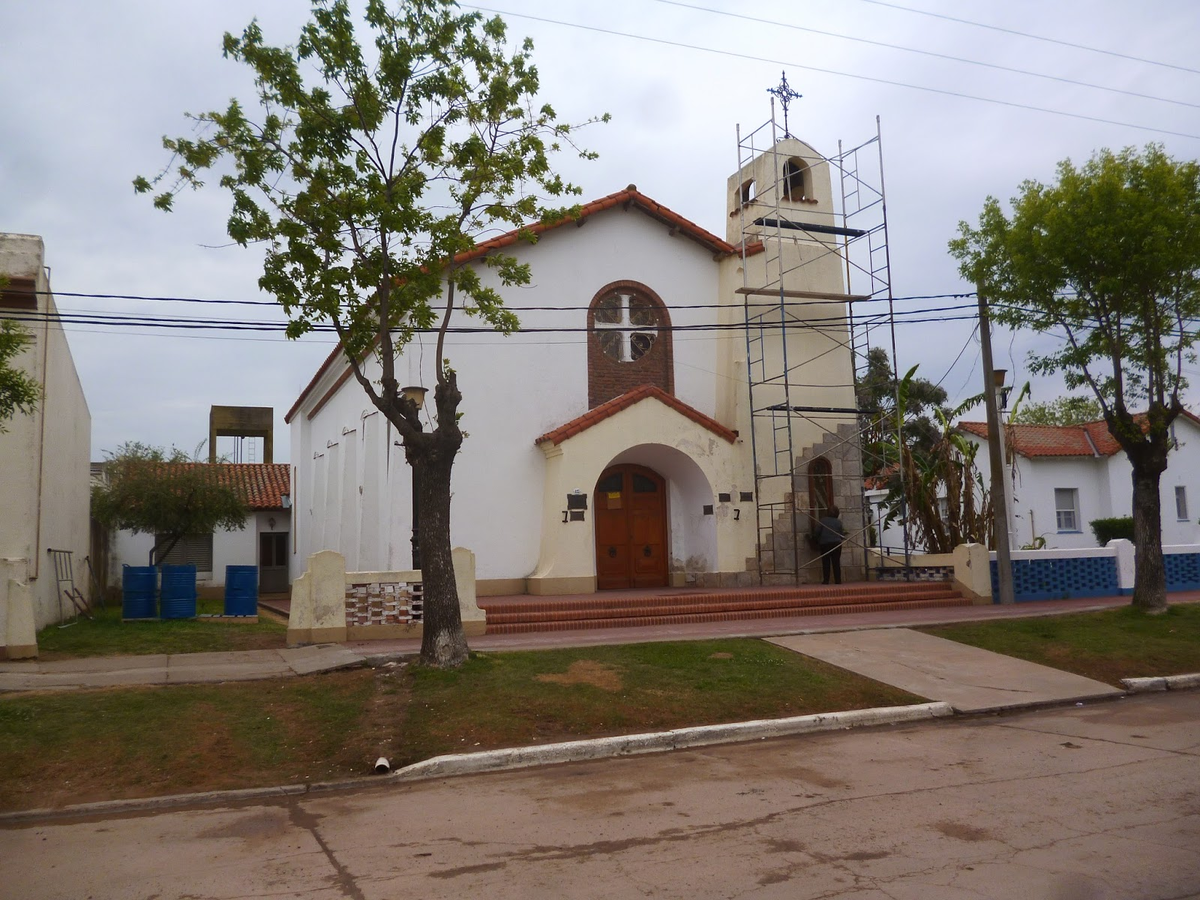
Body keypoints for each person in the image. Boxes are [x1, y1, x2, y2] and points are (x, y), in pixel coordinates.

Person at [816, 505, 845, 585]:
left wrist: (817, 540)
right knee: (836, 562)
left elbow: (817, 532)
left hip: (825, 543)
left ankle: (826, 580)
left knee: (826, 562)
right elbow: (841, 534)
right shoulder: (838, 522)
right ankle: (838, 580)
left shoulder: (822, 521)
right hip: (836, 544)